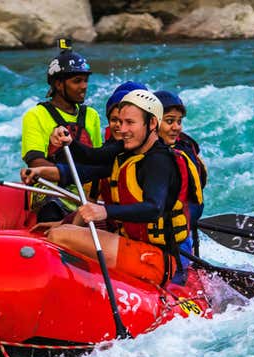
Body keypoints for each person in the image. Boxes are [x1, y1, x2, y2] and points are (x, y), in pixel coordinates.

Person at [21, 90, 192, 286]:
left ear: (152, 123)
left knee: (60, 235)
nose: (122, 129)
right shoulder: (128, 150)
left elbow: (153, 209)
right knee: (65, 229)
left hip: (156, 259)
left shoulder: (159, 161)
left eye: (130, 123)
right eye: (120, 122)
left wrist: (103, 211)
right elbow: (92, 158)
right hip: (137, 245)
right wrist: (69, 143)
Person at [21, 38, 103, 222]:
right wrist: (73, 178)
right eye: (77, 81)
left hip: (85, 193)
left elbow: (99, 160)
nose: (84, 86)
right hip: (52, 191)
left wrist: (94, 195)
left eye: (86, 80)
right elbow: (35, 163)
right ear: (58, 84)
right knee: (51, 207)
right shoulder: (36, 115)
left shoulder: (91, 115)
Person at [154, 90, 207, 256]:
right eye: (170, 121)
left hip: (177, 239)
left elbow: (196, 205)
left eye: (178, 121)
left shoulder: (183, 154)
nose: (176, 127)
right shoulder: (137, 150)